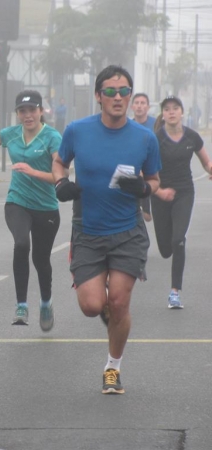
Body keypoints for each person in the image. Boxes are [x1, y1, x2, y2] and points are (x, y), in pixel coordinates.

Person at [52, 65, 161, 395]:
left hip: (128, 231)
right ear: (99, 96)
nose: (118, 97)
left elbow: (155, 180)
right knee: (91, 305)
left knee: (119, 300)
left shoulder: (145, 137)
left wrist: (144, 189)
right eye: (111, 92)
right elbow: (60, 161)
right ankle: (108, 313)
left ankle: (112, 368)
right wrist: (61, 182)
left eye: (124, 91)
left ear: (131, 96)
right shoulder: (77, 130)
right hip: (88, 231)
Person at [0, 90, 61, 331]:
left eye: (32, 110)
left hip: (46, 207)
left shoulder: (52, 137)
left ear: (41, 112)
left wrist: (32, 171)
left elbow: (58, 176)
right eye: (23, 111)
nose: (28, 115)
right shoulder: (10, 134)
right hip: (17, 202)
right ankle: (21, 305)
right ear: (18, 114)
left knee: (41, 260)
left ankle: (46, 302)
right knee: (21, 244)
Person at [151, 96, 212, 309]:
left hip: (184, 193)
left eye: (175, 108)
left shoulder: (192, 137)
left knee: (178, 240)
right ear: (163, 114)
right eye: (167, 109)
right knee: (166, 249)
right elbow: (145, 171)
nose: (172, 112)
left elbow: (206, 162)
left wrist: (210, 170)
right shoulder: (156, 139)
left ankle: (174, 292)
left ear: (182, 112)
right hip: (159, 194)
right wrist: (159, 191)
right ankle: (170, 250)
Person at [131, 93, 156, 221]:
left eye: (142, 103)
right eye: (136, 103)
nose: (139, 106)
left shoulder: (156, 124)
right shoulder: (128, 125)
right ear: (132, 107)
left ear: (148, 107)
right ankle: (143, 208)